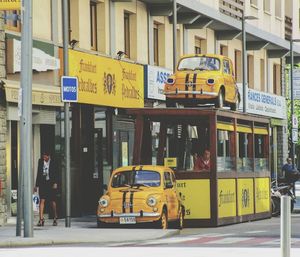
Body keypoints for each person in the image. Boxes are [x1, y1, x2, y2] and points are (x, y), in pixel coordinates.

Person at [35, 151, 58, 226]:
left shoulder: (54, 162)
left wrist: (55, 183)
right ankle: (41, 219)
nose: (44, 158)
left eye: (45, 157)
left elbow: (56, 173)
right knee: (42, 200)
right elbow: (38, 173)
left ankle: (55, 217)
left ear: (49, 156)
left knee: (52, 201)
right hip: (43, 183)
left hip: (51, 183)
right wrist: (36, 185)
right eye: (43, 157)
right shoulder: (40, 161)